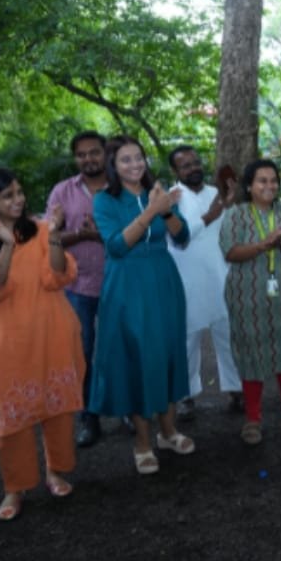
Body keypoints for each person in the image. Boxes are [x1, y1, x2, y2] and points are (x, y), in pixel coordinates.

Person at [0, 167, 85, 520]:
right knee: (11, 417)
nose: (18, 200)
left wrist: (55, 235)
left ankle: (55, 471)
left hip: (52, 331)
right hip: (8, 340)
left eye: (19, 192)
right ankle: (14, 487)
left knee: (57, 408)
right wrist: (6, 244)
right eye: (8, 196)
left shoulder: (41, 228)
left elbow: (58, 276)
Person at [90, 136, 196, 474]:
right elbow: (117, 246)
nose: (135, 164)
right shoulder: (104, 200)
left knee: (167, 354)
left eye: (139, 157)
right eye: (126, 159)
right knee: (137, 359)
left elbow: (182, 236)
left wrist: (165, 211)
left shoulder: (157, 192)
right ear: (113, 165)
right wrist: (152, 210)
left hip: (163, 280)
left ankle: (169, 432)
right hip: (127, 285)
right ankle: (142, 442)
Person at [219, 159, 281, 445]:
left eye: (273, 180)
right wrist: (263, 245)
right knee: (252, 352)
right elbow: (230, 251)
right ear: (249, 186)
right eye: (262, 180)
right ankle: (253, 419)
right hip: (247, 296)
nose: (269, 185)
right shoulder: (236, 214)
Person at [46, 131, 132, 447]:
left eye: (94, 152)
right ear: (75, 158)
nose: (88, 159)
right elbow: (49, 238)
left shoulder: (122, 188)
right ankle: (89, 417)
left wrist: (103, 235)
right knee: (82, 354)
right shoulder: (62, 191)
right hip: (78, 286)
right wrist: (81, 235)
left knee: (121, 350)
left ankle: (126, 409)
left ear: (105, 154)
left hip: (120, 282)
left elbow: (137, 232)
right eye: (81, 154)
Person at [166, 146, 243, 420]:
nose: (193, 168)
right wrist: (210, 214)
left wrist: (229, 205)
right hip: (187, 281)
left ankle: (236, 389)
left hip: (221, 276)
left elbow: (232, 231)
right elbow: (180, 238)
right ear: (175, 171)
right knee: (188, 341)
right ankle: (186, 396)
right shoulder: (170, 199)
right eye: (185, 165)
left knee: (229, 336)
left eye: (196, 162)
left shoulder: (216, 193)